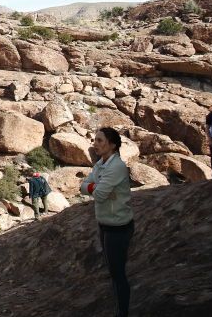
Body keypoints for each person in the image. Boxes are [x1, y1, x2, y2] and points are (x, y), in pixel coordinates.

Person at [80, 127, 134, 317]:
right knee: (113, 271)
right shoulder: (101, 164)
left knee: (117, 274)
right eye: (95, 140)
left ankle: (122, 313)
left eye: (100, 141)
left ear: (112, 145)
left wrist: (96, 188)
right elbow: (83, 187)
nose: (95, 144)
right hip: (105, 224)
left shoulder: (116, 166)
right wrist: (96, 187)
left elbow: (100, 195)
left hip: (117, 227)